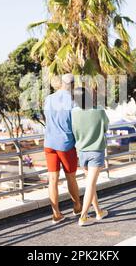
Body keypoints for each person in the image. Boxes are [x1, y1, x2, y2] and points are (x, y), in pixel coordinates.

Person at [43, 74, 82, 224]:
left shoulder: (49, 99)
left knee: (52, 179)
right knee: (70, 177)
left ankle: (56, 214)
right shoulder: (73, 102)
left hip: (49, 144)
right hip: (65, 145)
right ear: (73, 85)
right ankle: (77, 206)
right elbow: (76, 125)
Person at [72, 87, 109, 227]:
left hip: (82, 151)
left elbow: (74, 129)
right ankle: (83, 216)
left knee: (90, 183)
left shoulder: (74, 112)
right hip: (96, 150)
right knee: (90, 184)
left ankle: (98, 212)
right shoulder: (99, 110)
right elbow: (106, 127)